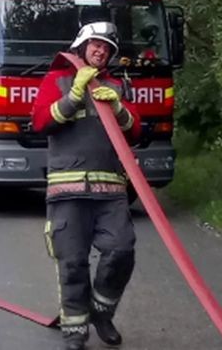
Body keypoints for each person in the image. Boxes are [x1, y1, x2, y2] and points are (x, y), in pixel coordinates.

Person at [31, 21, 141, 350]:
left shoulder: (116, 86)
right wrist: (74, 96)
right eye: (95, 44)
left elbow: (135, 132)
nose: (100, 50)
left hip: (111, 193)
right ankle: (75, 331)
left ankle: (102, 313)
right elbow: (40, 122)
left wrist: (119, 109)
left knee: (121, 250)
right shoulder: (57, 80)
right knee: (73, 261)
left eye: (106, 48)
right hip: (68, 192)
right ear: (82, 45)